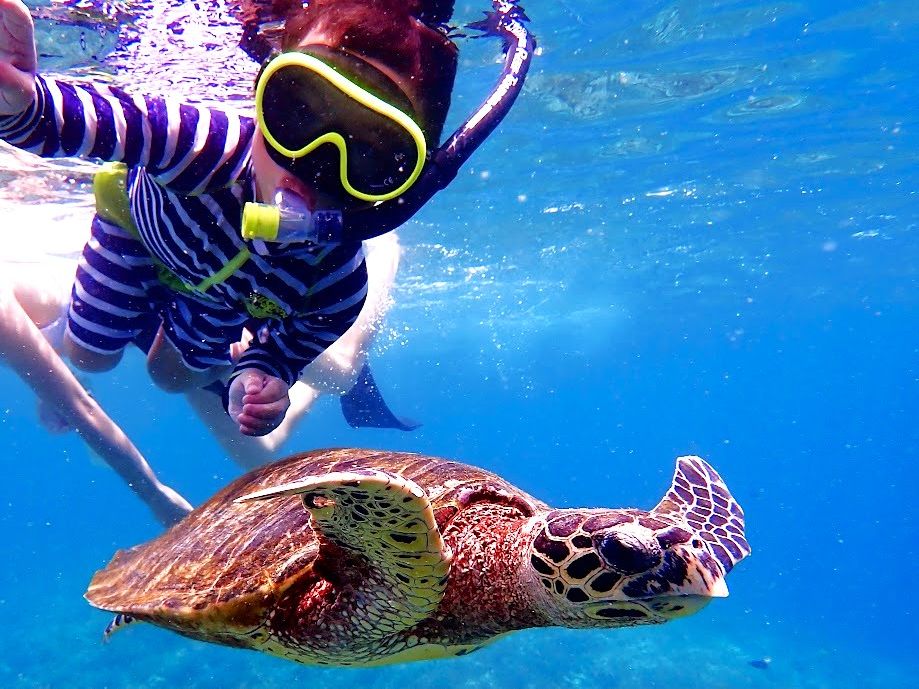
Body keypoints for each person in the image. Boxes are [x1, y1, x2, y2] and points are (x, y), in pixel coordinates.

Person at [0, 0, 534, 436]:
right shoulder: (206, 146)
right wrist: (21, 106)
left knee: (169, 377)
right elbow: (98, 121)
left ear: (401, 188)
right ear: (262, 95)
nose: (312, 166)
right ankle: (92, 312)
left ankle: (178, 332)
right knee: (89, 358)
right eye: (299, 111)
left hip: (215, 296)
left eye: (367, 153)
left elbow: (288, 352)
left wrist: (262, 376)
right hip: (138, 233)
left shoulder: (336, 286)